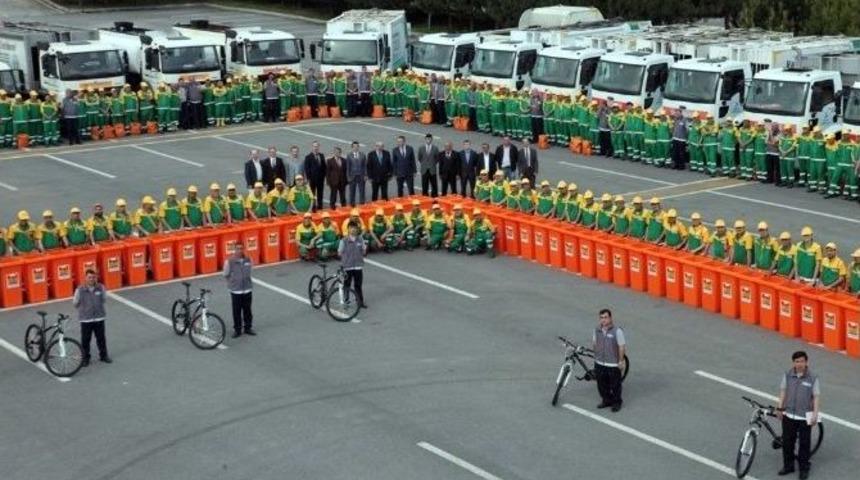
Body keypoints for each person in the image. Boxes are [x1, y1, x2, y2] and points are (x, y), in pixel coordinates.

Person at [776, 351, 820, 479]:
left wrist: (815, 413)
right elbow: (783, 391)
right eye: (796, 361)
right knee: (787, 442)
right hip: (789, 414)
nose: (799, 364)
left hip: (804, 415)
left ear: (806, 362)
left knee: (804, 444)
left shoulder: (813, 377)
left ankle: (803, 469)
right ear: (793, 363)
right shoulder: (788, 374)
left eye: (801, 361)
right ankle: (788, 466)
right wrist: (779, 407)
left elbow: (816, 396)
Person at [73, 269, 111, 366]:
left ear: (96, 278)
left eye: (93, 277)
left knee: (101, 338)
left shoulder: (101, 287)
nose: (91, 279)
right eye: (89, 277)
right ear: (85, 278)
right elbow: (75, 303)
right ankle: (85, 359)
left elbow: (104, 299)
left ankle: (104, 356)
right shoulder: (79, 290)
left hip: (99, 318)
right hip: (86, 319)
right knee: (85, 340)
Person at [592, 308, 625, 412]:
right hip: (600, 362)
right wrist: (596, 356)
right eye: (601, 318)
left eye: (606, 317)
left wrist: (621, 361)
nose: (603, 320)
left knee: (615, 385)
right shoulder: (596, 330)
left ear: (610, 318)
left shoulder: (617, 331)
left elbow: (621, 346)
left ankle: (616, 402)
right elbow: (594, 343)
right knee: (601, 384)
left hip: (613, 364)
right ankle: (606, 400)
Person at [223, 242, 255, 338]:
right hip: (236, 290)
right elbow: (225, 274)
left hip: (247, 289)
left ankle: (248, 327)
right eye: (237, 249)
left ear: (244, 249)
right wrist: (232, 282)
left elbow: (251, 270)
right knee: (236, 311)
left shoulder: (249, 260)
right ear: (234, 250)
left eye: (241, 248)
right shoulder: (229, 261)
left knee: (247, 310)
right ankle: (237, 329)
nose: (239, 251)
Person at [338, 222, 368, 309]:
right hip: (348, 267)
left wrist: (362, 252)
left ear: (358, 229)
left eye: (355, 228)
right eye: (351, 228)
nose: (353, 229)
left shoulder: (360, 239)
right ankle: (346, 302)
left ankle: (360, 302)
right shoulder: (343, 241)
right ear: (348, 229)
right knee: (347, 285)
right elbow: (339, 252)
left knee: (358, 285)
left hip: (358, 266)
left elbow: (364, 250)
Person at [303, 141, 327, 211]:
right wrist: (308, 179)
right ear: (312, 147)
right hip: (312, 180)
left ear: (319, 147)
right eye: (314, 146)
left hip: (320, 179)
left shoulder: (321, 155)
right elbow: (307, 169)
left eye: (317, 146)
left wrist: (324, 176)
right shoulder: (308, 157)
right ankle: (313, 207)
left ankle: (320, 206)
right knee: (312, 194)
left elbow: (324, 167)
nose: (316, 148)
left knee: (320, 194)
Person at [418, 133, 439, 197]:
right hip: (424, 170)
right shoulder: (421, 148)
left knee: (434, 185)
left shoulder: (435, 148)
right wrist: (425, 164)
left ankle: (434, 198)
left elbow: (437, 158)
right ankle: (425, 198)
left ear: (432, 139)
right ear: (425, 139)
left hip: (432, 170)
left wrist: (432, 164)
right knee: (424, 185)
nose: (428, 140)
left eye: (429, 139)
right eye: (427, 139)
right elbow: (419, 158)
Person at [346, 141, 367, 206]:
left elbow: (365, 166)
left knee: (362, 191)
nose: (356, 148)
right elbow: (348, 167)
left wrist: (366, 175)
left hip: (361, 176)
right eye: (354, 146)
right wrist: (348, 177)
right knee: (352, 192)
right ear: (352, 147)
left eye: (357, 146)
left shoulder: (363, 155)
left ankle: (362, 204)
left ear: (358, 147)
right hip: (352, 176)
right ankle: (352, 205)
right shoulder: (349, 155)